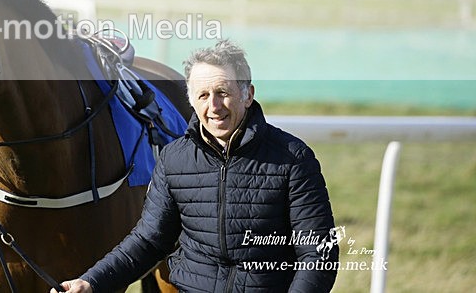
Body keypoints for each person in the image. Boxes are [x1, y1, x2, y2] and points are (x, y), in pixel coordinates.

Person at [53, 40, 337, 293]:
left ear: (248, 94)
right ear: (191, 100)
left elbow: (318, 254)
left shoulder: (294, 158)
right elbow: (149, 241)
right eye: (203, 95)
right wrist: (91, 282)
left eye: (223, 92)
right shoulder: (173, 159)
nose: (213, 105)